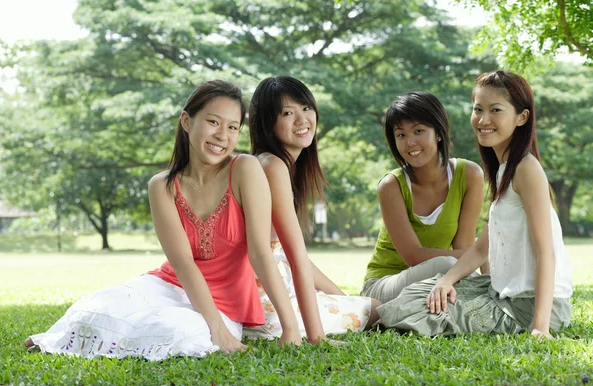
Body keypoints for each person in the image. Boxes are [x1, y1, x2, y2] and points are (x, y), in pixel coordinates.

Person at [24, 80, 303, 360]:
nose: (223, 135)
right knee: (100, 306)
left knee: (178, 333)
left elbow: (260, 253)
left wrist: (290, 328)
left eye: (232, 127)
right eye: (213, 122)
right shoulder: (162, 185)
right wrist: (216, 328)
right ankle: (60, 339)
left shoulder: (245, 168)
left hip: (224, 303)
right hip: (168, 285)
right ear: (186, 121)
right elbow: (182, 263)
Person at [376, 71, 573, 338]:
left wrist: (540, 326)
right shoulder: (505, 170)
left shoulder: (526, 168)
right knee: (424, 292)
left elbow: (544, 251)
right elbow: (482, 246)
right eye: (478, 109)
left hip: (528, 307)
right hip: (502, 294)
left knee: (414, 309)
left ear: (521, 117)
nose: (483, 119)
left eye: (496, 110)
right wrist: (446, 281)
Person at [243, 76, 380, 343]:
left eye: (306, 108)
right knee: (376, 309)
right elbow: (294, 256)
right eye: (287, 113)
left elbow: (291, 256)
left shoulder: (272, 163)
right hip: (265, 303)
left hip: (265, 293)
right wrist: (317, 337)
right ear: (267, 122)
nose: (302, 119)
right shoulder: (273, 166)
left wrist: (342, 297)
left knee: (368, 305)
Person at [361, 92, 485, 304]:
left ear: (438, 133)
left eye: (418, 131)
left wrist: (474, 253)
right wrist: (479, 253)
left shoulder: (470, 175)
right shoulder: (391, 186)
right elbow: (413, 256)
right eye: (401, 135)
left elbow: (462, 245)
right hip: (384, 285)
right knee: (447, 265)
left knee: (456, 270)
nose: (410, 142)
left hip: (437, 279)